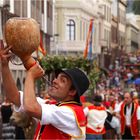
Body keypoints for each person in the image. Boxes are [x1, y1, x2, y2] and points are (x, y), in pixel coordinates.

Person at [0, 44, 90, 139]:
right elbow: (13, 97)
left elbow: (31, 108)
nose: (54, 81)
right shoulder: (53, 106)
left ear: (72, 91)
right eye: (56, 78)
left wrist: (31, 75)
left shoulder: (70, 113)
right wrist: (5, 65)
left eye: (62, 80)